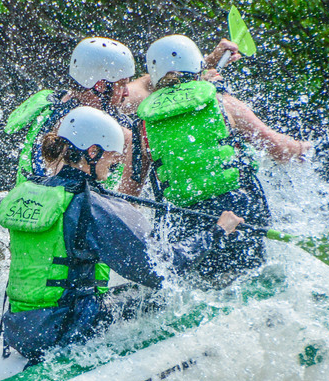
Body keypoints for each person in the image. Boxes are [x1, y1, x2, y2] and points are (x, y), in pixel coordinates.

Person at [0, 107, 246, 363]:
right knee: (158, 295)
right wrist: (216, 231)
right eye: (110, 157)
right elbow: (163, 267)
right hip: (65, 331)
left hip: (20, 330)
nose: (115, 163)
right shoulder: (91, 206)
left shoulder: (29, 190)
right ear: (92, 152)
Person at [133, 34, 312, 288]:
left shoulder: (143, 124)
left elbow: (129, 197)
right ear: (198, 67)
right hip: (240, 216)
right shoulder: (222, 102)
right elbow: (282, 151)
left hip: (186, 229)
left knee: (204, 291)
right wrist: (305, 148)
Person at [5, 37, 247, 197]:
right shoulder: (92, 128)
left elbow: (146, 86)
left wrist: (196, 70)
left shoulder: (62, 101)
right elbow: (126, 198)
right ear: (101, 85)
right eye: (121, 84)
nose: (126, 92)